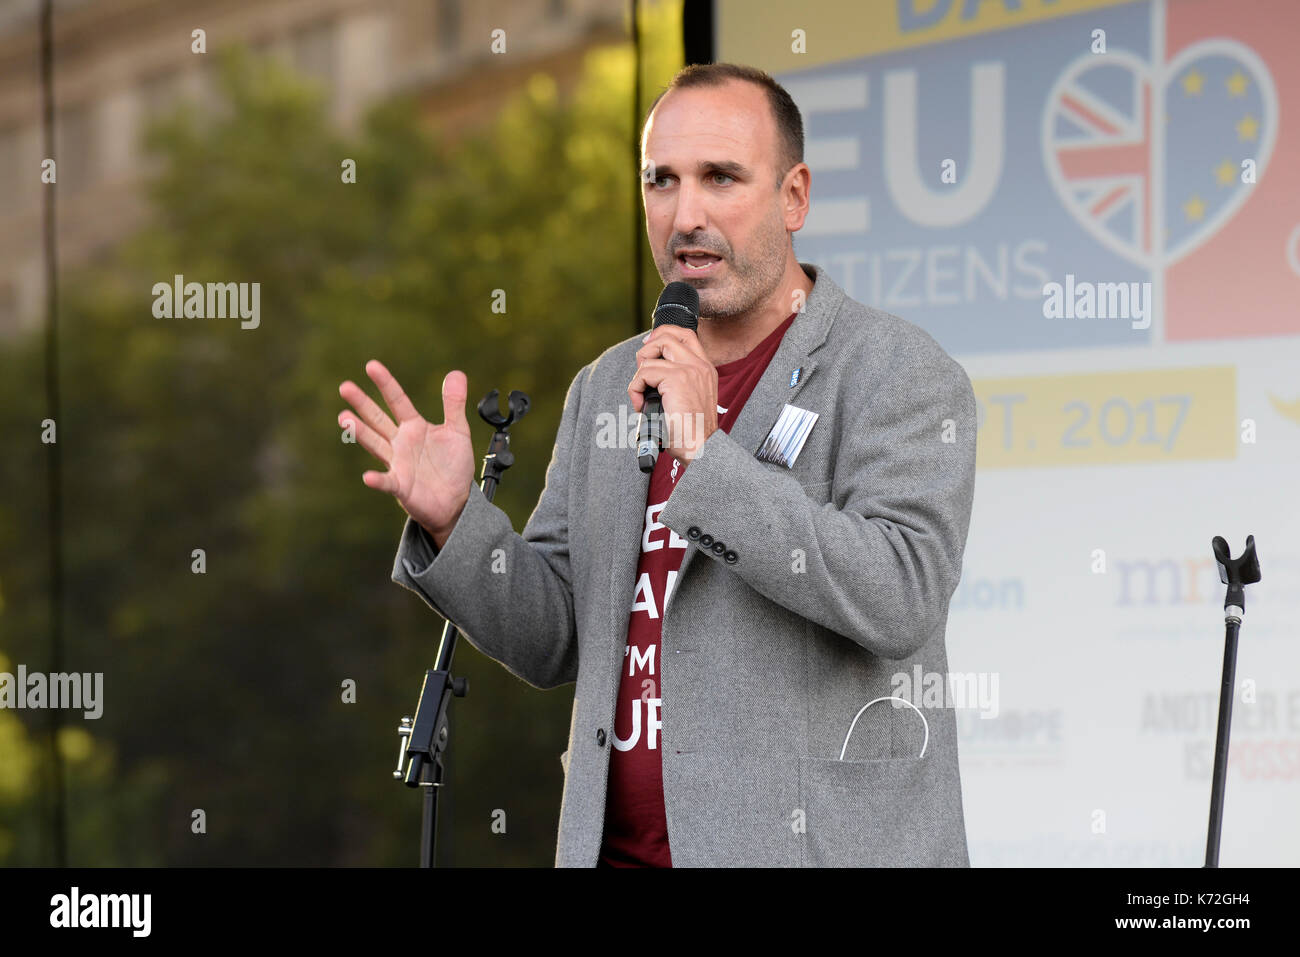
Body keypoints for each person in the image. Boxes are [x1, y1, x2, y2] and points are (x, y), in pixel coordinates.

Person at [337, 62, 978, 867]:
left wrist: (707, 457)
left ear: (794, 197)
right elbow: (555, 634)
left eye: (720, 177)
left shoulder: (895, 370)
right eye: (661, 180)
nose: (686, 214)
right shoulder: (609, 383)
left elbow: (901, 594)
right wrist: (455, 522)